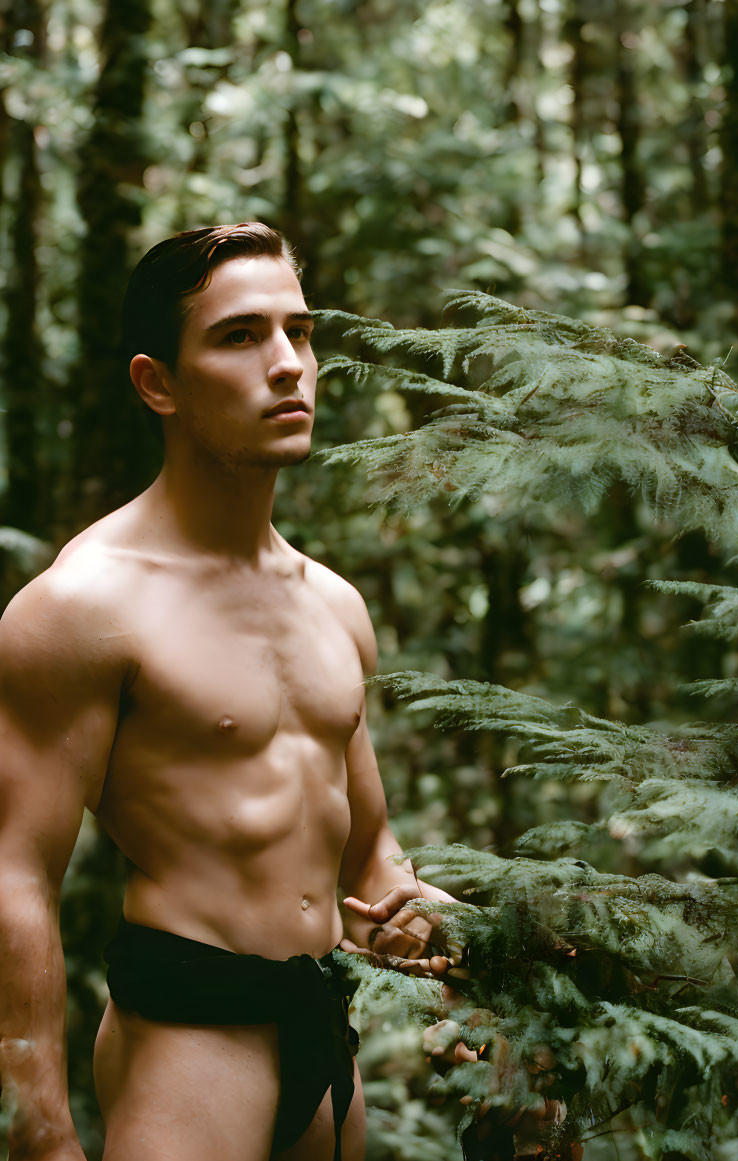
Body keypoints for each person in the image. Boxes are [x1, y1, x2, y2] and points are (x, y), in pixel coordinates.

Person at [0, 222, 459, 1161]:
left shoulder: (332, 604)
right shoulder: (87, 603)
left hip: (326, 1043)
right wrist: (39, 1134)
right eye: (240, 336)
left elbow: (367, 846)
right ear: (156, 383)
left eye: (300, 331)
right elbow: (16, 874)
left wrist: (434, 927)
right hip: (189, 1043)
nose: (287, 365)